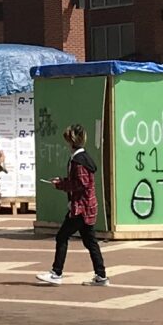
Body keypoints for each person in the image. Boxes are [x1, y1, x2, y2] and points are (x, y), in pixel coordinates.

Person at [36, 122, 109, 286]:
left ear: (71, 141)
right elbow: (79, 182)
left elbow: (81, 184)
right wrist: (62, 181)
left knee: (62, 236)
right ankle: (101, 275)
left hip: (81, 207)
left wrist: (61, 185)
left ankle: (56, 273)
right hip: (87, 206)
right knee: (90, 241)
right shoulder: (83, 158)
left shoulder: (78, 161)